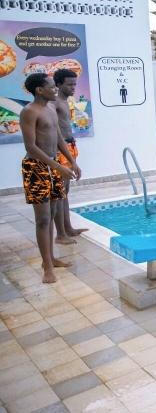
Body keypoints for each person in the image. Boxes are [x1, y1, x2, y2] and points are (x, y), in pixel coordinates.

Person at [20, 73, 79, 283]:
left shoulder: (51, 109)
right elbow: (31, 147)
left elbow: (59, 138)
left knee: (53, 212)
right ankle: (46, 266)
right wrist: (57, 167)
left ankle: (51, 258)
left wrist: (71, 161)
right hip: (36, 167)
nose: (55, 89)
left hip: (54, 165)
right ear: (39, 90)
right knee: (43, 219)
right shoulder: (29, 112)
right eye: (52, 86)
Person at [52, 68, 87, 244]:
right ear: (58, 84)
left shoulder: (65, 102)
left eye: (75, 84)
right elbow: (53, 129)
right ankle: (60, 234)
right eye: (69, 84)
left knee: (65, 191)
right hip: (61, 149)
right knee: (60, 192)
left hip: (70, 147)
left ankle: (68, 228)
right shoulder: (55, 103)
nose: (73, 87)